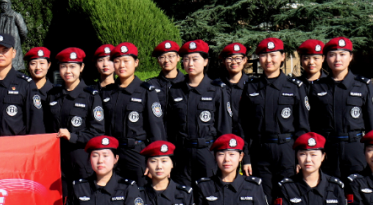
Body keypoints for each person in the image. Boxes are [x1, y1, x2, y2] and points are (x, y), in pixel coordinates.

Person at [239, 38, 309, 201]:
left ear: (283, 56)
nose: (268, 60)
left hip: (287, 151)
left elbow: (302, 127)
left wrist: (301, 157)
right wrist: (246, 158)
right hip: (260, 151)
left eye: (273, 55)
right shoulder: (251, 87)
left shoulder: (295, 87)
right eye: (264, 55)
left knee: (288, 197)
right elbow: (244, 127)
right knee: (263, 199)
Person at [307, 37, 373, 179]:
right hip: (327, 148)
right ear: (326, 58)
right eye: (332, 55)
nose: (337, 59)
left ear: (351, 57)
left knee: (357, 188)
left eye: (342, 54)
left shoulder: (363, 85)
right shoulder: (317, 87)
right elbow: (311, 123)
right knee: (329, 189)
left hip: (355, 148)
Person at [164, 40, 233, 185]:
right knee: (182, 194)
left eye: (195, 59)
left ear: (205, 61)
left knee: (208, 192)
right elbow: (169, 127)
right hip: (182, 153)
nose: (190, 63)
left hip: (207, 152)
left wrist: (224, 156)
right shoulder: (175, 90)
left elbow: (224, 127)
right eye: (186, 59)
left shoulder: (217, 90)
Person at [99, 43, 166, 183]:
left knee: (139, 193)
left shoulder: (146, 91)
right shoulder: (107, 92)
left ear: (136, 62)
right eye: (117, 61)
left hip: (137, 154)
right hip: (111, 154)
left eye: (126, 61)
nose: (121, 65)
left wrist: (155, 158)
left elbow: (156, 128)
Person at [44, 48, 103, 181]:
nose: (68, 71)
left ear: (81, 67)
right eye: (63, 66)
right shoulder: (53, 95)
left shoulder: (91, 96)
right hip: (56, 160)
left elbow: (97, 132)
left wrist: (72, 136)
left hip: (81, 160)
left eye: (72, 66)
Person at [0, 33, 46, 137]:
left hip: (15, 146)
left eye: (5, 50)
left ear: (13, 53)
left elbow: (36, 127)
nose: (0, 54)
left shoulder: (25, 84)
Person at [216, 42, 249, 140]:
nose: (234, 62)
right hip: (222, 138)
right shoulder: (216, 86)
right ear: (224, 61)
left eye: (238, 58)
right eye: (229, 58)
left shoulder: (252, 86)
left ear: (244, 60)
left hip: (246, 138)